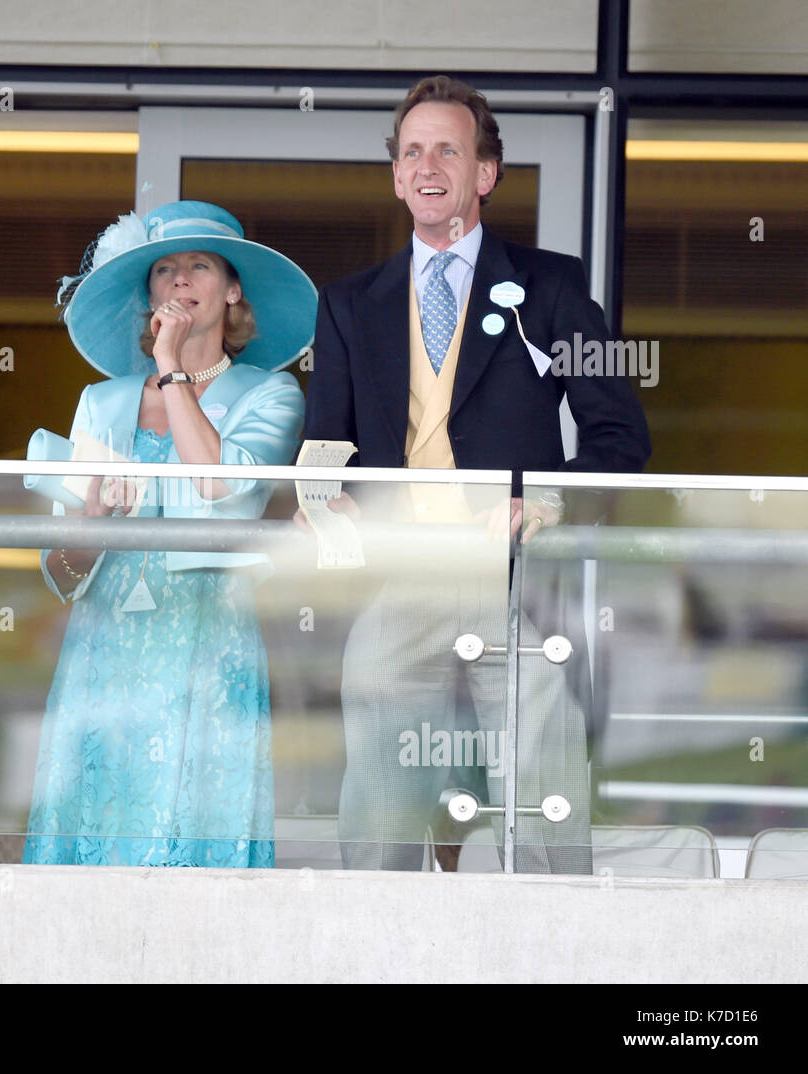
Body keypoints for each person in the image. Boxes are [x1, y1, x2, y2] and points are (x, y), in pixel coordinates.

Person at [302, 76, 650, 871]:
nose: (428, 165)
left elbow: (618, 433)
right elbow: (327, 450)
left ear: (484, 174)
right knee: (379, 823)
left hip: (516, 584)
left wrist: (546, 498)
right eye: (412, 151)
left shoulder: (553, 288)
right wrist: (325, 504)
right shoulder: (350, 304)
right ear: (396, 175)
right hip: (402, 581)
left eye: (448, 150)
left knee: (545, 814)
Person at [23, 200, 317, 867]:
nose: (180, 281)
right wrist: (90, 529)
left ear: (232, 288)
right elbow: (59, 571)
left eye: (200, 266)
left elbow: (220, 486)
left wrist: (171, 365)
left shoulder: (269, 396)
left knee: (191, 840)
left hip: (207, 647)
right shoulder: (101, 402)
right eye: (164, 270)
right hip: (104, 651)